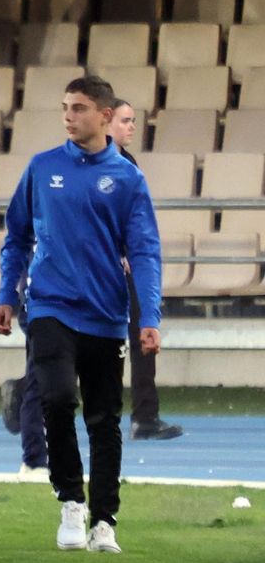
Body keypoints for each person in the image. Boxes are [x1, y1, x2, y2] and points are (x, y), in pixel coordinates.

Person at [0, 76, 161, 554]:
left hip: (106, 313)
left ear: (106, 116)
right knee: (57, 397)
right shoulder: (42, 168)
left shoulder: (127, 179)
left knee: (105, 419)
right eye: (65, 107)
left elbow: (145, 250)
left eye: (80, 108)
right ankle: (70, 499)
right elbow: (17, 237)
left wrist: (150, 314)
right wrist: (7, 294)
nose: (69, 116)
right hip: (49, 306)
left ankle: (104, 520)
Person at [106, 102, 181, 440]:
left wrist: (131, 250)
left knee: (143, 335)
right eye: (125, 121)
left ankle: (145, 416)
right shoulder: (89, 165)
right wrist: (115, 251)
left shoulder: (129, 164)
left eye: (133, 121)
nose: (132, 127)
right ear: (105, 121)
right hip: (99, 270)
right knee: (83, 343)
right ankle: (25, 392)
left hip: (129, 267)